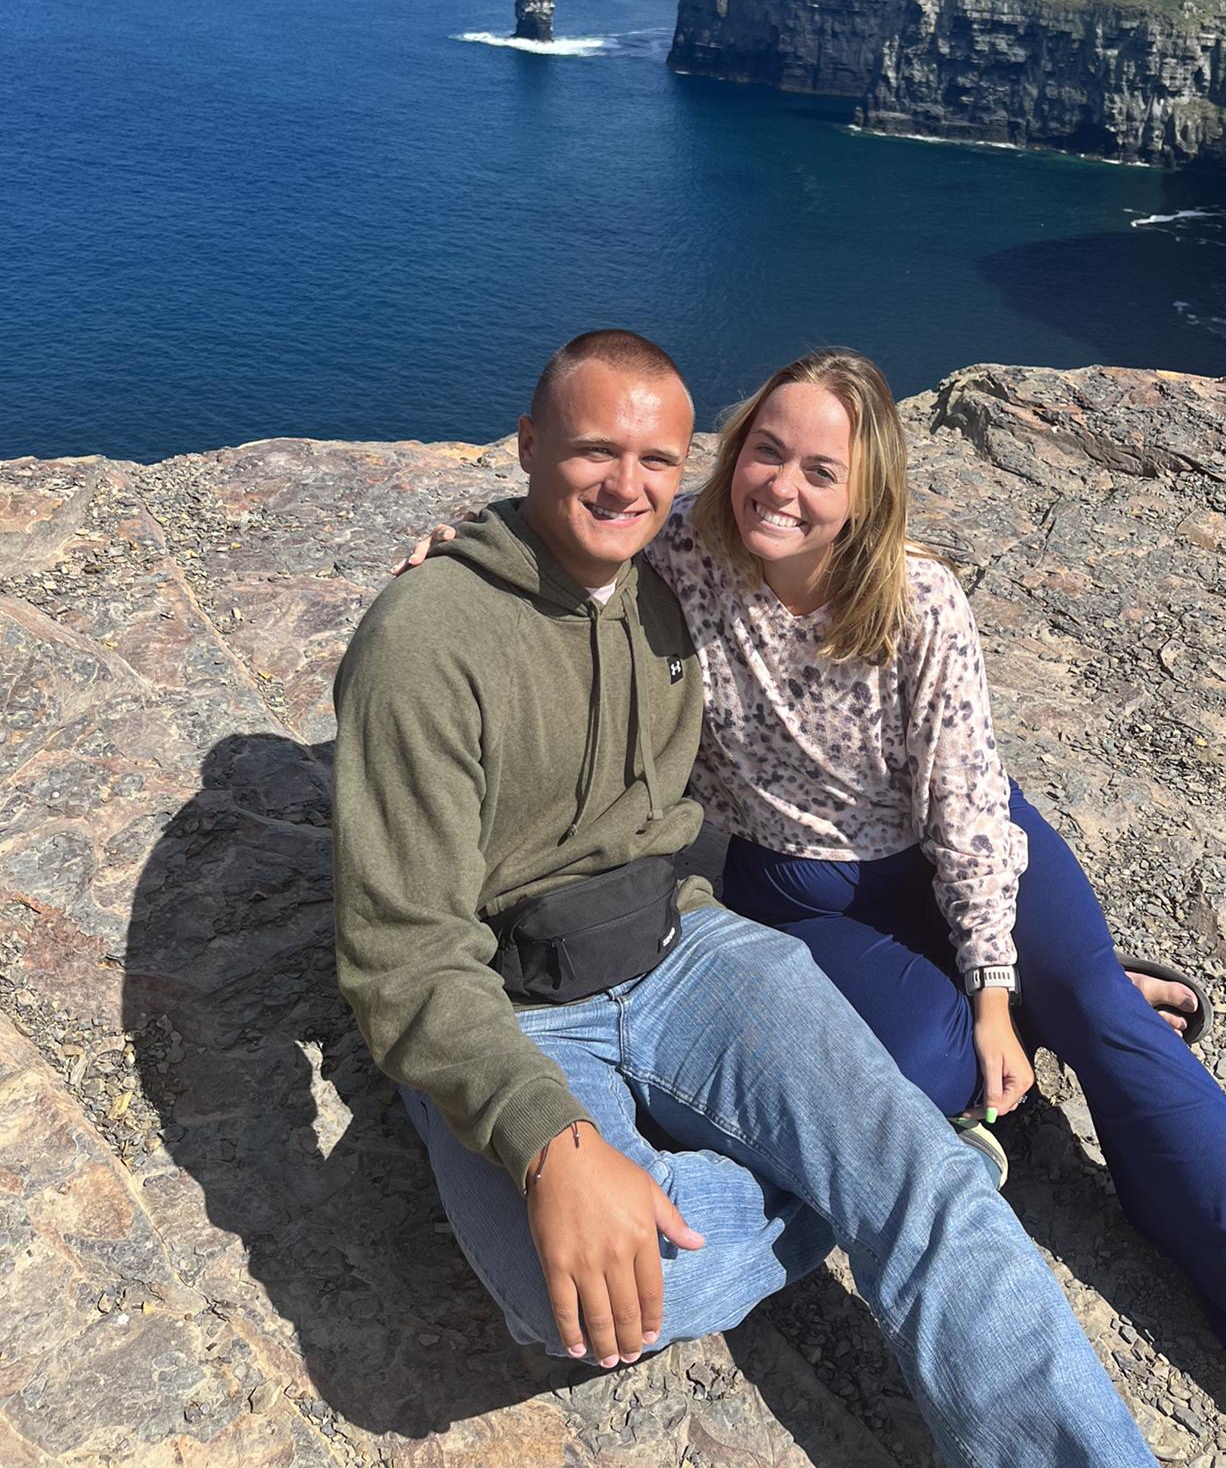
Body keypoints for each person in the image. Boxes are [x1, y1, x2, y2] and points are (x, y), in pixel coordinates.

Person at [404, 343, 1226, 1468]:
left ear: (864, 496)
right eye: (766, 450)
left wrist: (1000, 989)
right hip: (802, 885)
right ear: (735, 448)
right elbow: (584, 505)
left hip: (963, 852)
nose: (782, 486)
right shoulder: (686, 555)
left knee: (1103, 1019)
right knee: (922, 1076)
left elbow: (965, 811)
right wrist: (467, 545)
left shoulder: (917, 599)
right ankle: (1031, 1004)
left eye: (820, 470)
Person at [333, 328, 1156, 1468]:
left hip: (691, 951)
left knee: (918, 1190)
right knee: (579, 1300)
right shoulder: (425, 643)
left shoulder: (671, 581)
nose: (626, 485)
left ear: (689, 475)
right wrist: (549, 1138)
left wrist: (987, 987)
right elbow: (404, 950)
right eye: (592, 451)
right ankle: (872, 1179)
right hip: (515, 1006)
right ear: (525, 444)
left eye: (659, 460)